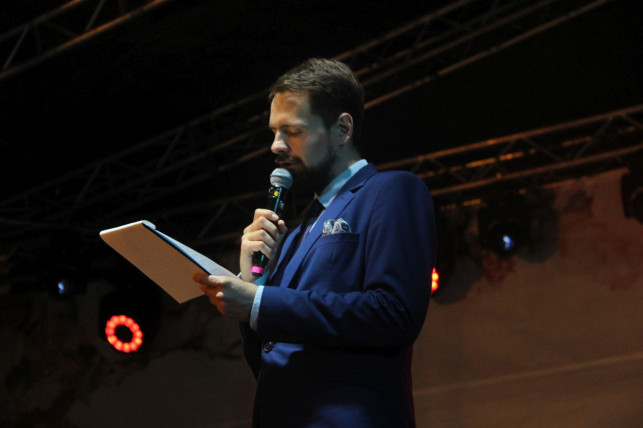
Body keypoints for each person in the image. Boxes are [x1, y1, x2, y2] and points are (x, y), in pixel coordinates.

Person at [194, 58, 437, 427]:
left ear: (342, 129)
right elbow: (269, 363)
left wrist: (260, 302)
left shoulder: (390, 191)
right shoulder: (292, 237)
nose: (276, 146)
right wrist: (256, 281)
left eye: (293, 131)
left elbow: (394, 313)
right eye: (274, 132)